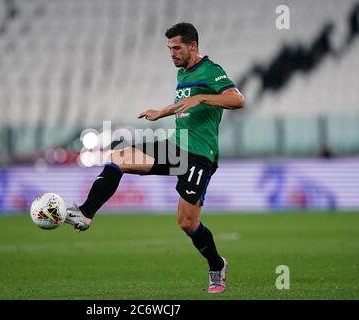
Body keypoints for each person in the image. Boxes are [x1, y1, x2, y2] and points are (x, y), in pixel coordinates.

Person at [65, 22, 244, 294]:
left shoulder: (211, 71)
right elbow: (186, 103)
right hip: (176, 146)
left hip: (199, 156)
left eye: (176, 48)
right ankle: (86, 213)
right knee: (119, 157)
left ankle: (216, 265)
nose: (171, 53)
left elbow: (237, 100)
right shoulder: (183, 73)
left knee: (187, 223)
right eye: (169, 49)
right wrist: (163, 112)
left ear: (192, 46)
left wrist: (204, 99)